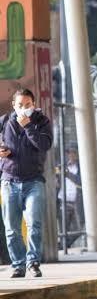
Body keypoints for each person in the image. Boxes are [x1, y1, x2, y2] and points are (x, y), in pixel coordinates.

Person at [0, 89, 52, 278]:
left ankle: (33, 262)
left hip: (34, 181)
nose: (23, 109)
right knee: (12, 228)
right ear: (14, 105)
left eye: (27, 105)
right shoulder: (5, 121)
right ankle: (18, 264)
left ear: (33, 104)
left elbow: (44, 145)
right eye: (20, 105)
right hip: (9, 182)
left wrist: (29, 126)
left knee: (34, 224)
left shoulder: (41, 121)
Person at [57, 147, 82, 247]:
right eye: (69, 152)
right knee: (64, 228)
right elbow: (57, 183)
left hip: (76, 202)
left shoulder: (81, 167)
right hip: (63, 200)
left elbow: (81, 182)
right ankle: (62, 246)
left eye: (73, 153)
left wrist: (68, 174)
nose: (71, 155)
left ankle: (64, 245)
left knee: (77, 230)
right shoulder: (63, 167)